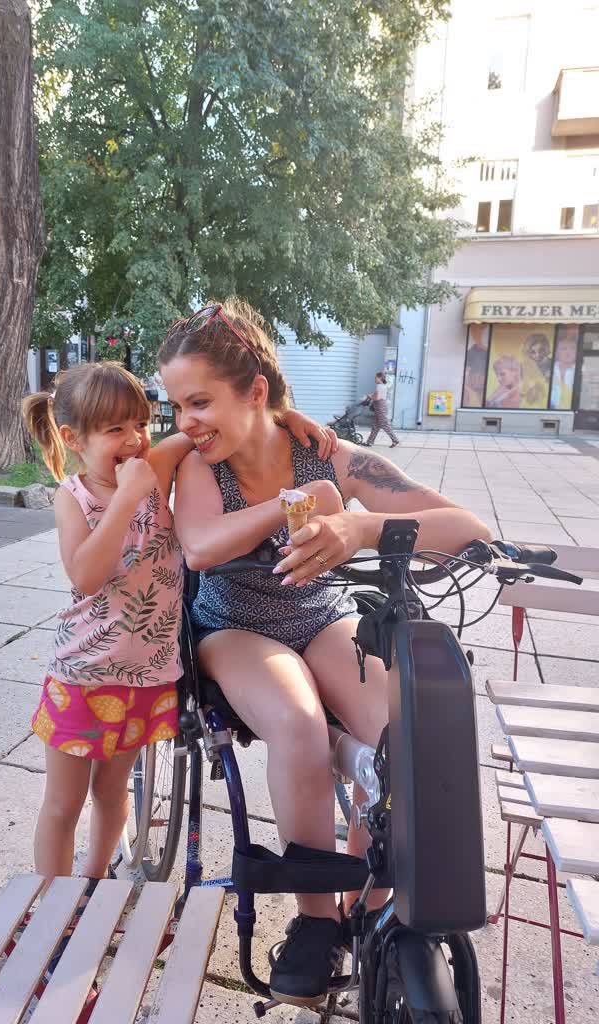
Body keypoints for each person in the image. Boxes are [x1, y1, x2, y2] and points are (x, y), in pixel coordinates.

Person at [158, 299, 490, 1007]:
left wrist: (361, 527)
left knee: (400, 730)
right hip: (235, 626)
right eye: (176, 405)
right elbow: (201, 546)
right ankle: (316, 920)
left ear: (255, 391)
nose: (185, 420)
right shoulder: (199, 465)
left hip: (320, 616)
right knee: (298, 724)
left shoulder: (328, 452)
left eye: (199, 401)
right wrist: (299, 501)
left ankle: (373, 897)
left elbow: (466, 528)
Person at [22, 361, 338, 893]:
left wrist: (287, 417)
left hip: (146, 678)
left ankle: (95, 885)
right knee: (64, 803)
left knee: (113, 795)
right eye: (115, 429)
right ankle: (53, 904)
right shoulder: (75, 497)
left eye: (141, 424)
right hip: (84, 677)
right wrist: (128, 497)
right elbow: (86, 575)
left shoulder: (155, 463)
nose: (134, 440)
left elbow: (213, 428)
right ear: (74, 439)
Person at [364, 371, 398, 447]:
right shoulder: (383, 385)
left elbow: (377, 397)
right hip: (380, 408)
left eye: (375, 378)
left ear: (379, 378)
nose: (374, 379)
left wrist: (370, 397)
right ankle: (369, 442)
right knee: (375, 426)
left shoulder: (379, 386)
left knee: (385, 425)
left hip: (380, 408)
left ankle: (395, 440)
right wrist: (371, 395)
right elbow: (377, 395)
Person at [551, 327, 578, 409]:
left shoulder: (579, 371)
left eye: (572, 348)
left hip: (571, 409)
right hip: (551, 409)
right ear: (557, 352)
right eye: (564, 348)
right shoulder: (550, 368)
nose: (568, 352)